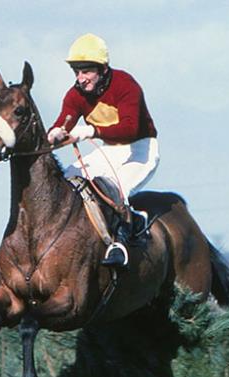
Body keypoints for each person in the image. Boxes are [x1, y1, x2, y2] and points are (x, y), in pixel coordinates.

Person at [47, 33, 158, 268]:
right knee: (68, 179)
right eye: (77, 72)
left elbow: (130, 129)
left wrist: (89, 131)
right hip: (110, 149)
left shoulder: (125, 85)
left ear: (103, 69)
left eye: (86, 71)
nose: (81, 78)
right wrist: (55, 133)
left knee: (115, 189)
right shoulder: (75, 94)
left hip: (140, 148)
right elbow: (64, 121)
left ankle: (120, 243)